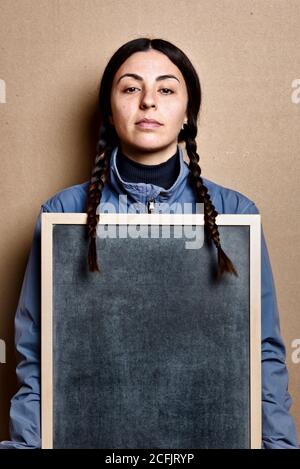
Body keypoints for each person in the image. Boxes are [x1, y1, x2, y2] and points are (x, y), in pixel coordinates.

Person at [0, 37, 298, 449]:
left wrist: (279, 445)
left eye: (166, 89)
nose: (148, 102)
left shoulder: (236, 213)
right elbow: (36, 352)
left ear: (188, 113)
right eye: (130, 87)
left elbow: (262, 350)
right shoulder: (62, 212)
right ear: (109, 110)